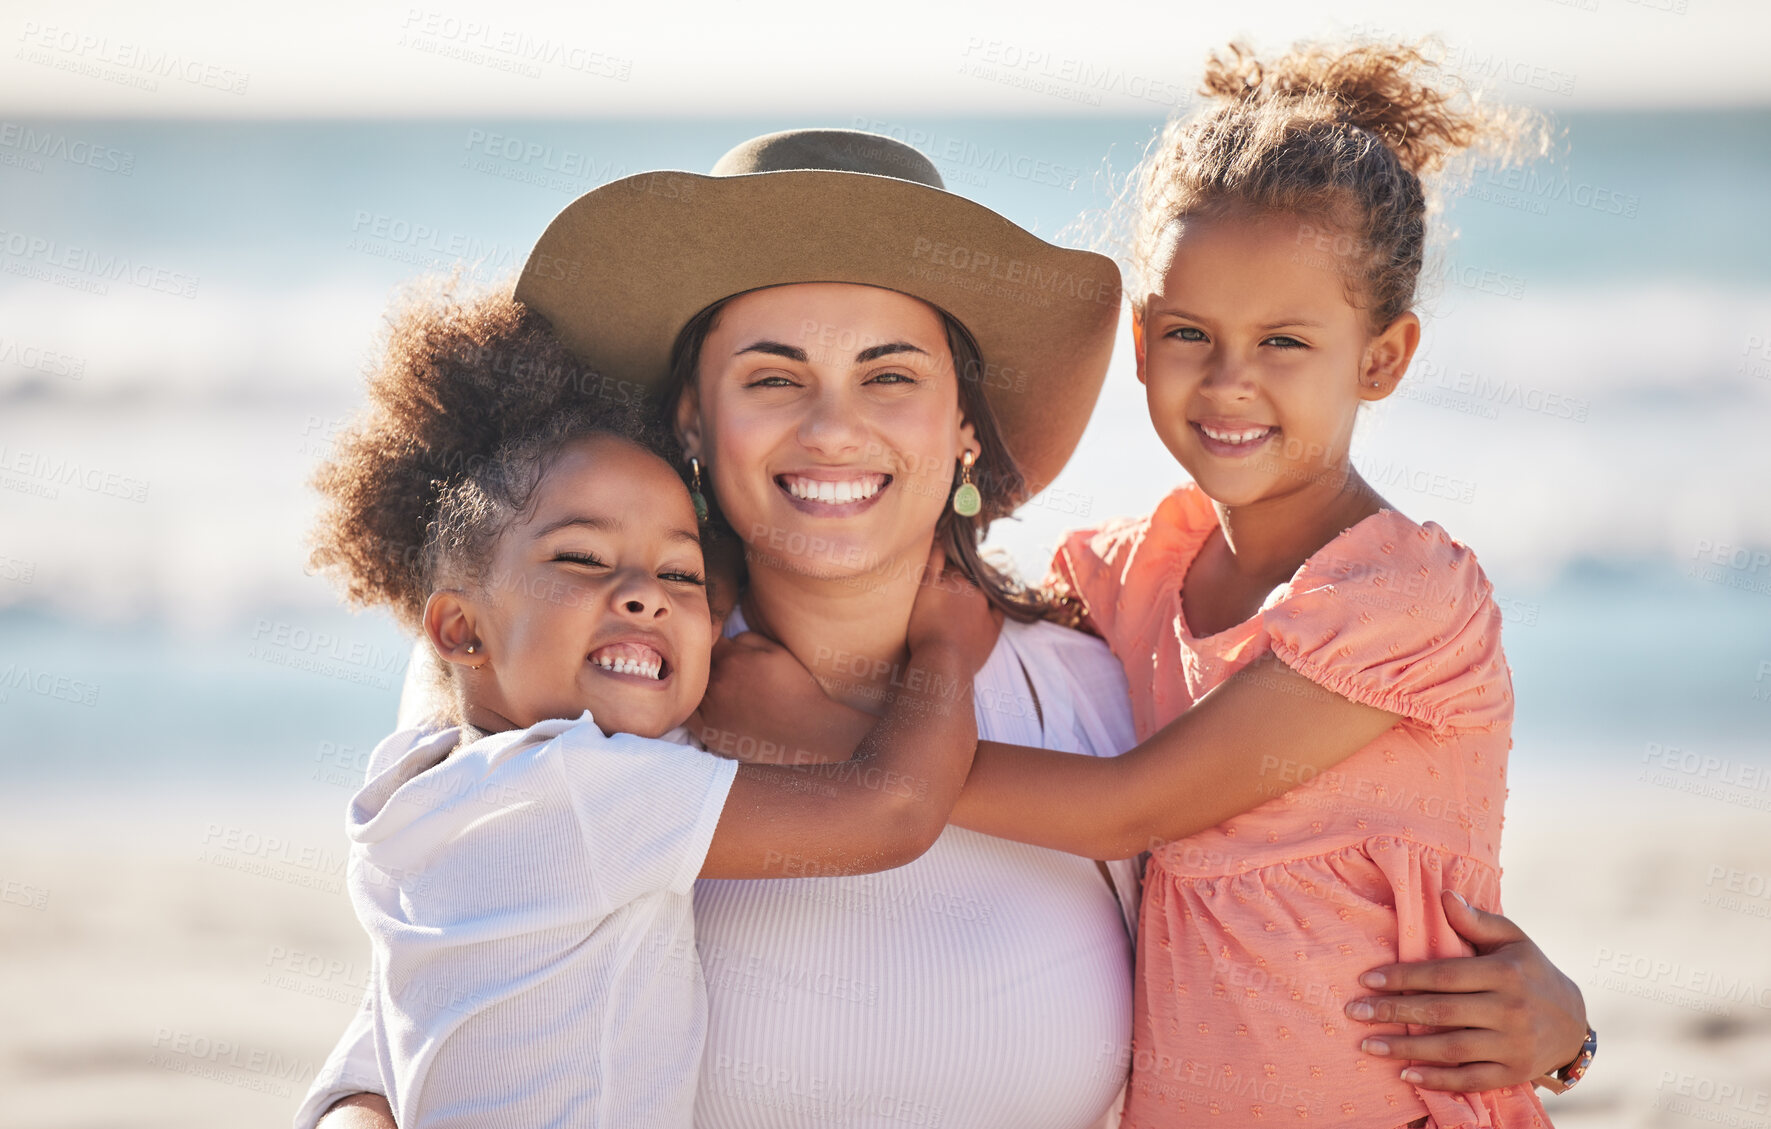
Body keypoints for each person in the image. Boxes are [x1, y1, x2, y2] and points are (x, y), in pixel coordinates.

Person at [303, 128, 1590, 1129]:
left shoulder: (1094, 697)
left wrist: (1557, 1026)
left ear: (961, 431)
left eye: (890, 375)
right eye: (770, 377)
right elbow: (406, 1033)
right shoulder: (611, 685)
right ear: (692, 424)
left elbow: (1309, 922)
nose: (831, 428)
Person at [298, 286, 996, 1127]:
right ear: (456, 627)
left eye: (679, 575)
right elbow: (892, 812)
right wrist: (946, 651)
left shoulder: (414, 784)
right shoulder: (587, 789)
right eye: (584, 557)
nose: (643, 598)